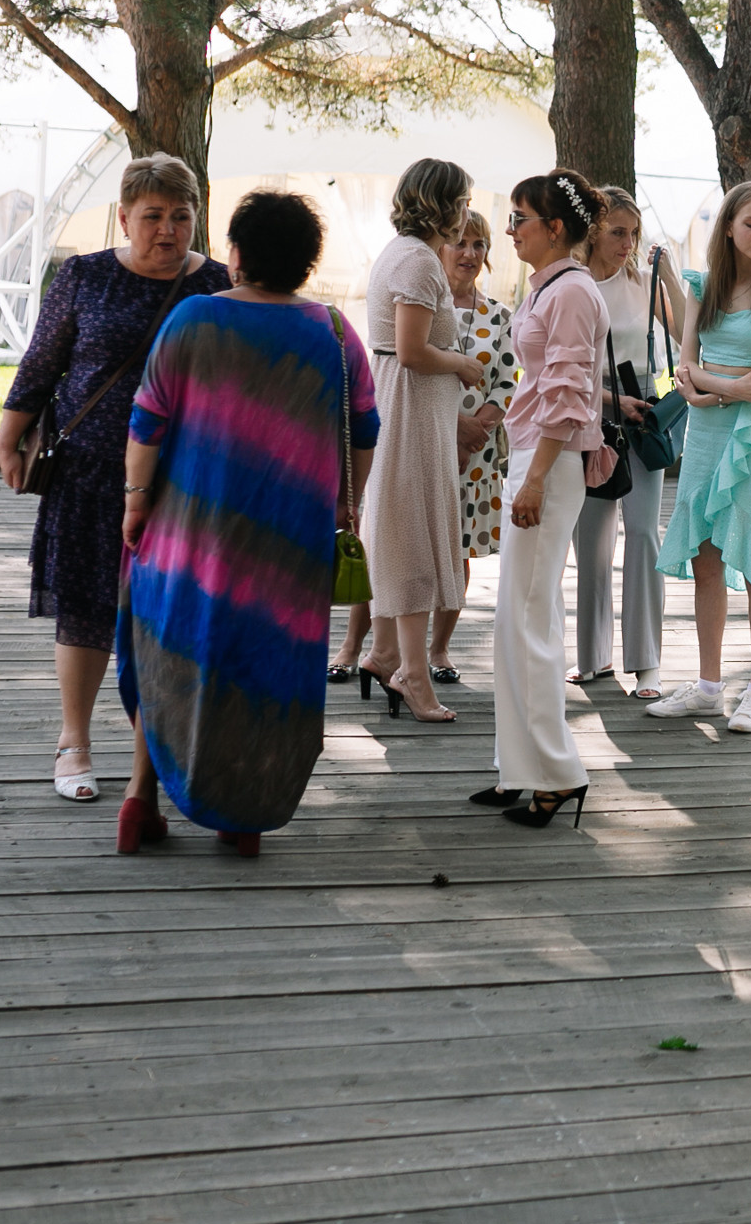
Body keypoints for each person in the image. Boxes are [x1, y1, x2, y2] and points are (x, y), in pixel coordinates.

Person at [115, 189, 377, 856]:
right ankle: (244, 815)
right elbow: (366, 427)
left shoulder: (193, 319)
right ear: (306, 261)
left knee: (165, 648)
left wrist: (135, 502)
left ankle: (140, 798)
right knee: (265, 668)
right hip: (289, 545)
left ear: (236, 253)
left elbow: (147, 421)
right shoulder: (336, 332)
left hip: (188, 536)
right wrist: (351, 500)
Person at [0, 154, 230, 803]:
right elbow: (41, 363)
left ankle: (157, 752)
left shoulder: (217, 285)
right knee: (85, 609)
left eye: (181, 216)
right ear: (123, 216)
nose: (167, 230)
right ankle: (74, 740)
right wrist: (11, 435)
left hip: (184, 482)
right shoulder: (85, 277)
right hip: (89, 472)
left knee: (170, 618)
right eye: (151, 216)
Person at [644, 181, 751, 737]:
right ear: (729, 227)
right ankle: (709, 686)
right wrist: (728, 387)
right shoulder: (701, 286)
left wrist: (714, 385)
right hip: (707, 433)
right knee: (706, 557)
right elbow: (682, 373)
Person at [474, 169, 611, 831]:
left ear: (554, 227)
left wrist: (533, 477)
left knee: (529, 617)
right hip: (533, 453)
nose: (509, 230)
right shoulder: (549, 287)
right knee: (519, 615)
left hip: (548, 464)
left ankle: (556, 772)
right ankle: (518, 766)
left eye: (519, 218)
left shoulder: (574, 292)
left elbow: (567, 389)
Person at [354, 158, 484, 723]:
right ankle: (411, 671)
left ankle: (382, 653)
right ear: (445, 204)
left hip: (407, 407)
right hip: (408, 409)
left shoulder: (400, 254)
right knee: (410, 537)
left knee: (398, 527)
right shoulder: (420, 262)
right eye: (462, 202)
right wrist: (462, 364)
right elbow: (410, 350)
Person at [571, 186, 684, 696]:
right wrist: (607, 403)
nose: (627, 242)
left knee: (642, 533)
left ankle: (647, 663)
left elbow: (687, 332)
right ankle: (592, 658)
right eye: (618, 231)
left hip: (641, 415)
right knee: (591, 541)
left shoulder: (644, 280)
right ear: (592, 231)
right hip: (588, 413)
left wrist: (672, 277)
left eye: (633, 233)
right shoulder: (571, 284)